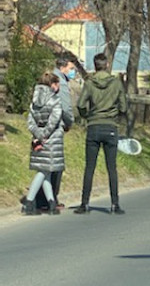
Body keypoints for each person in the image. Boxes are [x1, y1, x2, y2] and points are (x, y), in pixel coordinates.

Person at [74, 53, 128, 215]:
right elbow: (124, 107)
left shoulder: (90, 83)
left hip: (94, 126)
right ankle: (115, 204)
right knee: (112, 168)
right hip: (110, 126)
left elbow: (81, 104)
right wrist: (116, 114)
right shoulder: (116, 83)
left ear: (95, 65)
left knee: (90, 167)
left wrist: (87, 116)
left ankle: (84, 204)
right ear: (106, 64)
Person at [34, 56, 76, 211]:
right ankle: (50, 198)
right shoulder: (60, 82)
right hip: (55, 126)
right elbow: (65, 107)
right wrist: (69, 122)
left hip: (42, 124)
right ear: (63, 67)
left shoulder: (46, 78)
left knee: (44, 162)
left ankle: (41, 198)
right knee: (55, 164)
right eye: (71, 68)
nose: (73, 72)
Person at [22, 72, 65, 215]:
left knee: (46, 170)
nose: (58, 87)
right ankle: (29, 202)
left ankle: (51, 202)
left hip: (37, 139)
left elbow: (30, 121)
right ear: (52, 84)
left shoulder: (34, 100)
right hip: (51, 139)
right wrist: (44, 135)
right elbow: (54, 120)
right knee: (43, 171)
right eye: (57, 83)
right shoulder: (55, 100)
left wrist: (38, 135)